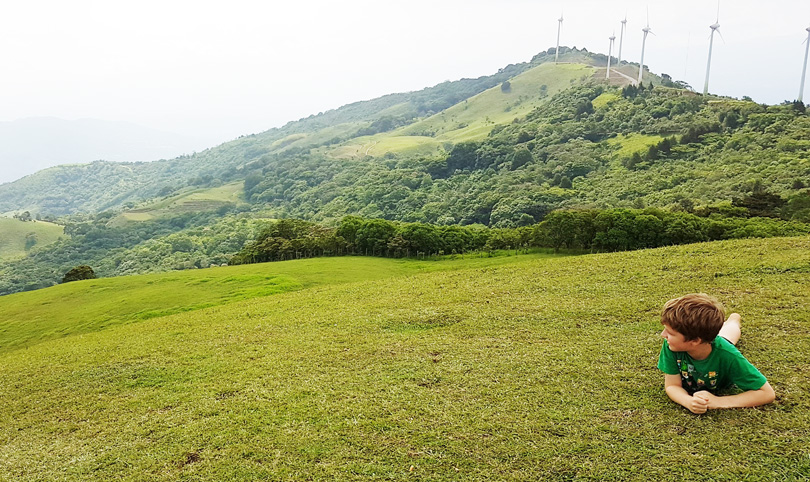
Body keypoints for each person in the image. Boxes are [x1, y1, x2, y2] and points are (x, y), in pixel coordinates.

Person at [657, 293, 775, 414]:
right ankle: (730, 321)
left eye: (670, 333)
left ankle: (734, 320)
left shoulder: (728, 355)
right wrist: (688, 401)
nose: (663, 335)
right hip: (706, 341)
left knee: (730, 334)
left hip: (721, 343)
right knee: (726, 334)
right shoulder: (671, 346)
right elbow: (672, 386)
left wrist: (718, 402)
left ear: (695, 341)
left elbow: (767, 393)